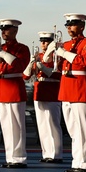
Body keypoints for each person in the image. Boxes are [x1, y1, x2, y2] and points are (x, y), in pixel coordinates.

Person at [49, 13, 86, 172]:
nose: (69, 28)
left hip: (80, 89)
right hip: (66, 90)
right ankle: (77, 161)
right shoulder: (65, 44)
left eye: (72, 25)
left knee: (84, 129)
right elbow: (59, 68)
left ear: (82, 26)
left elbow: (85, 62)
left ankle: (85, 163)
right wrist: (51, 54)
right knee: (73, 130)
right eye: (67, 25)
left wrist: (64, 53)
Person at [0, 19, 30, 168]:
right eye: (2, 29)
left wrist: (3, 54)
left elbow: (20, 66)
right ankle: (10, 156)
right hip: (1, 89)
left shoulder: (22, 48)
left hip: (14, 89)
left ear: (15, 31)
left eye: (6, 29)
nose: (3, 32)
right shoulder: (0, 48)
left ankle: (19, 158)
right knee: (6, 127)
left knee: (16, 126)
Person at [25, 31, 64, 163]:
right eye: (42, 41)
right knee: (42, 125)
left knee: (53, 124)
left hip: (52, 92)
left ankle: (56, 154)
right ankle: (47, 153)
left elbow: (59, 76)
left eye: (46, 41)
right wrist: (31, 64)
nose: (43, 43)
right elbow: (25, 76)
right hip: (39, 92)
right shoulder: (39, 56)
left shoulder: (57, 57)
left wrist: (44, 68)